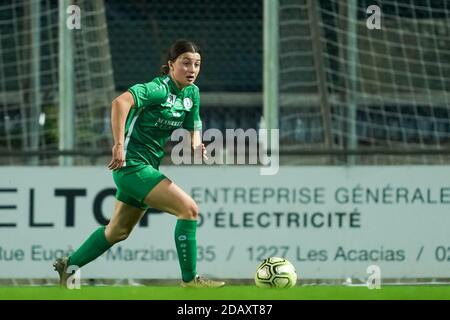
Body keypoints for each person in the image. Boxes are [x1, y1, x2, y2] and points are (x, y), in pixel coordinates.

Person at [53, 39, 225, 289]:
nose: (192, 69)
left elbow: (194, 122)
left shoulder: (191, 93)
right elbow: (120, 103)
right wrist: (119, 144)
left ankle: (69, 266)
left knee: (117, 231)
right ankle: (190, 281)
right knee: (189, 210)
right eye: (185, 63)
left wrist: (196, 143)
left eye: (197, 64)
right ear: (171, 65)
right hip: (130, 165)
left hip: (147, 167)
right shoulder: (158, 89)